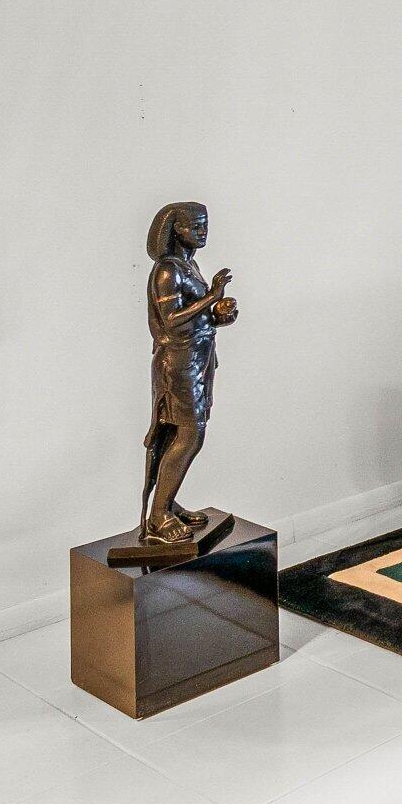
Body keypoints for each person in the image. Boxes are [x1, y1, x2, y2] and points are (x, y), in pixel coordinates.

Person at [138, 201, 237, 549]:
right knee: (188, 435)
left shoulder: (187, 265)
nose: (202, 231)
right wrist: (211, 296)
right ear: (173, 229)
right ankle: (159, 515)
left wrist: (217, 314)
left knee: (186, 434)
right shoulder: (167, 270)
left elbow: (192, 317)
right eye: (194, 225)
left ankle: (165, 503)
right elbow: (171, 321)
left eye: (205, 224)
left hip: (196, 358)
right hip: (177, 364)